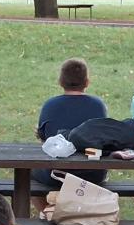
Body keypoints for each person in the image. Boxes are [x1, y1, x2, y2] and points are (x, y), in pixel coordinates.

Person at [34, 58, 108, 189]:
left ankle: (44, 204)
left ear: (60, 82)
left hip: (55, 174)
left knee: (28, 173)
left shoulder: (50, 106)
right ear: (87, 82)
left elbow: (44, 137)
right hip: (92, 174)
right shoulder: (98, 106)